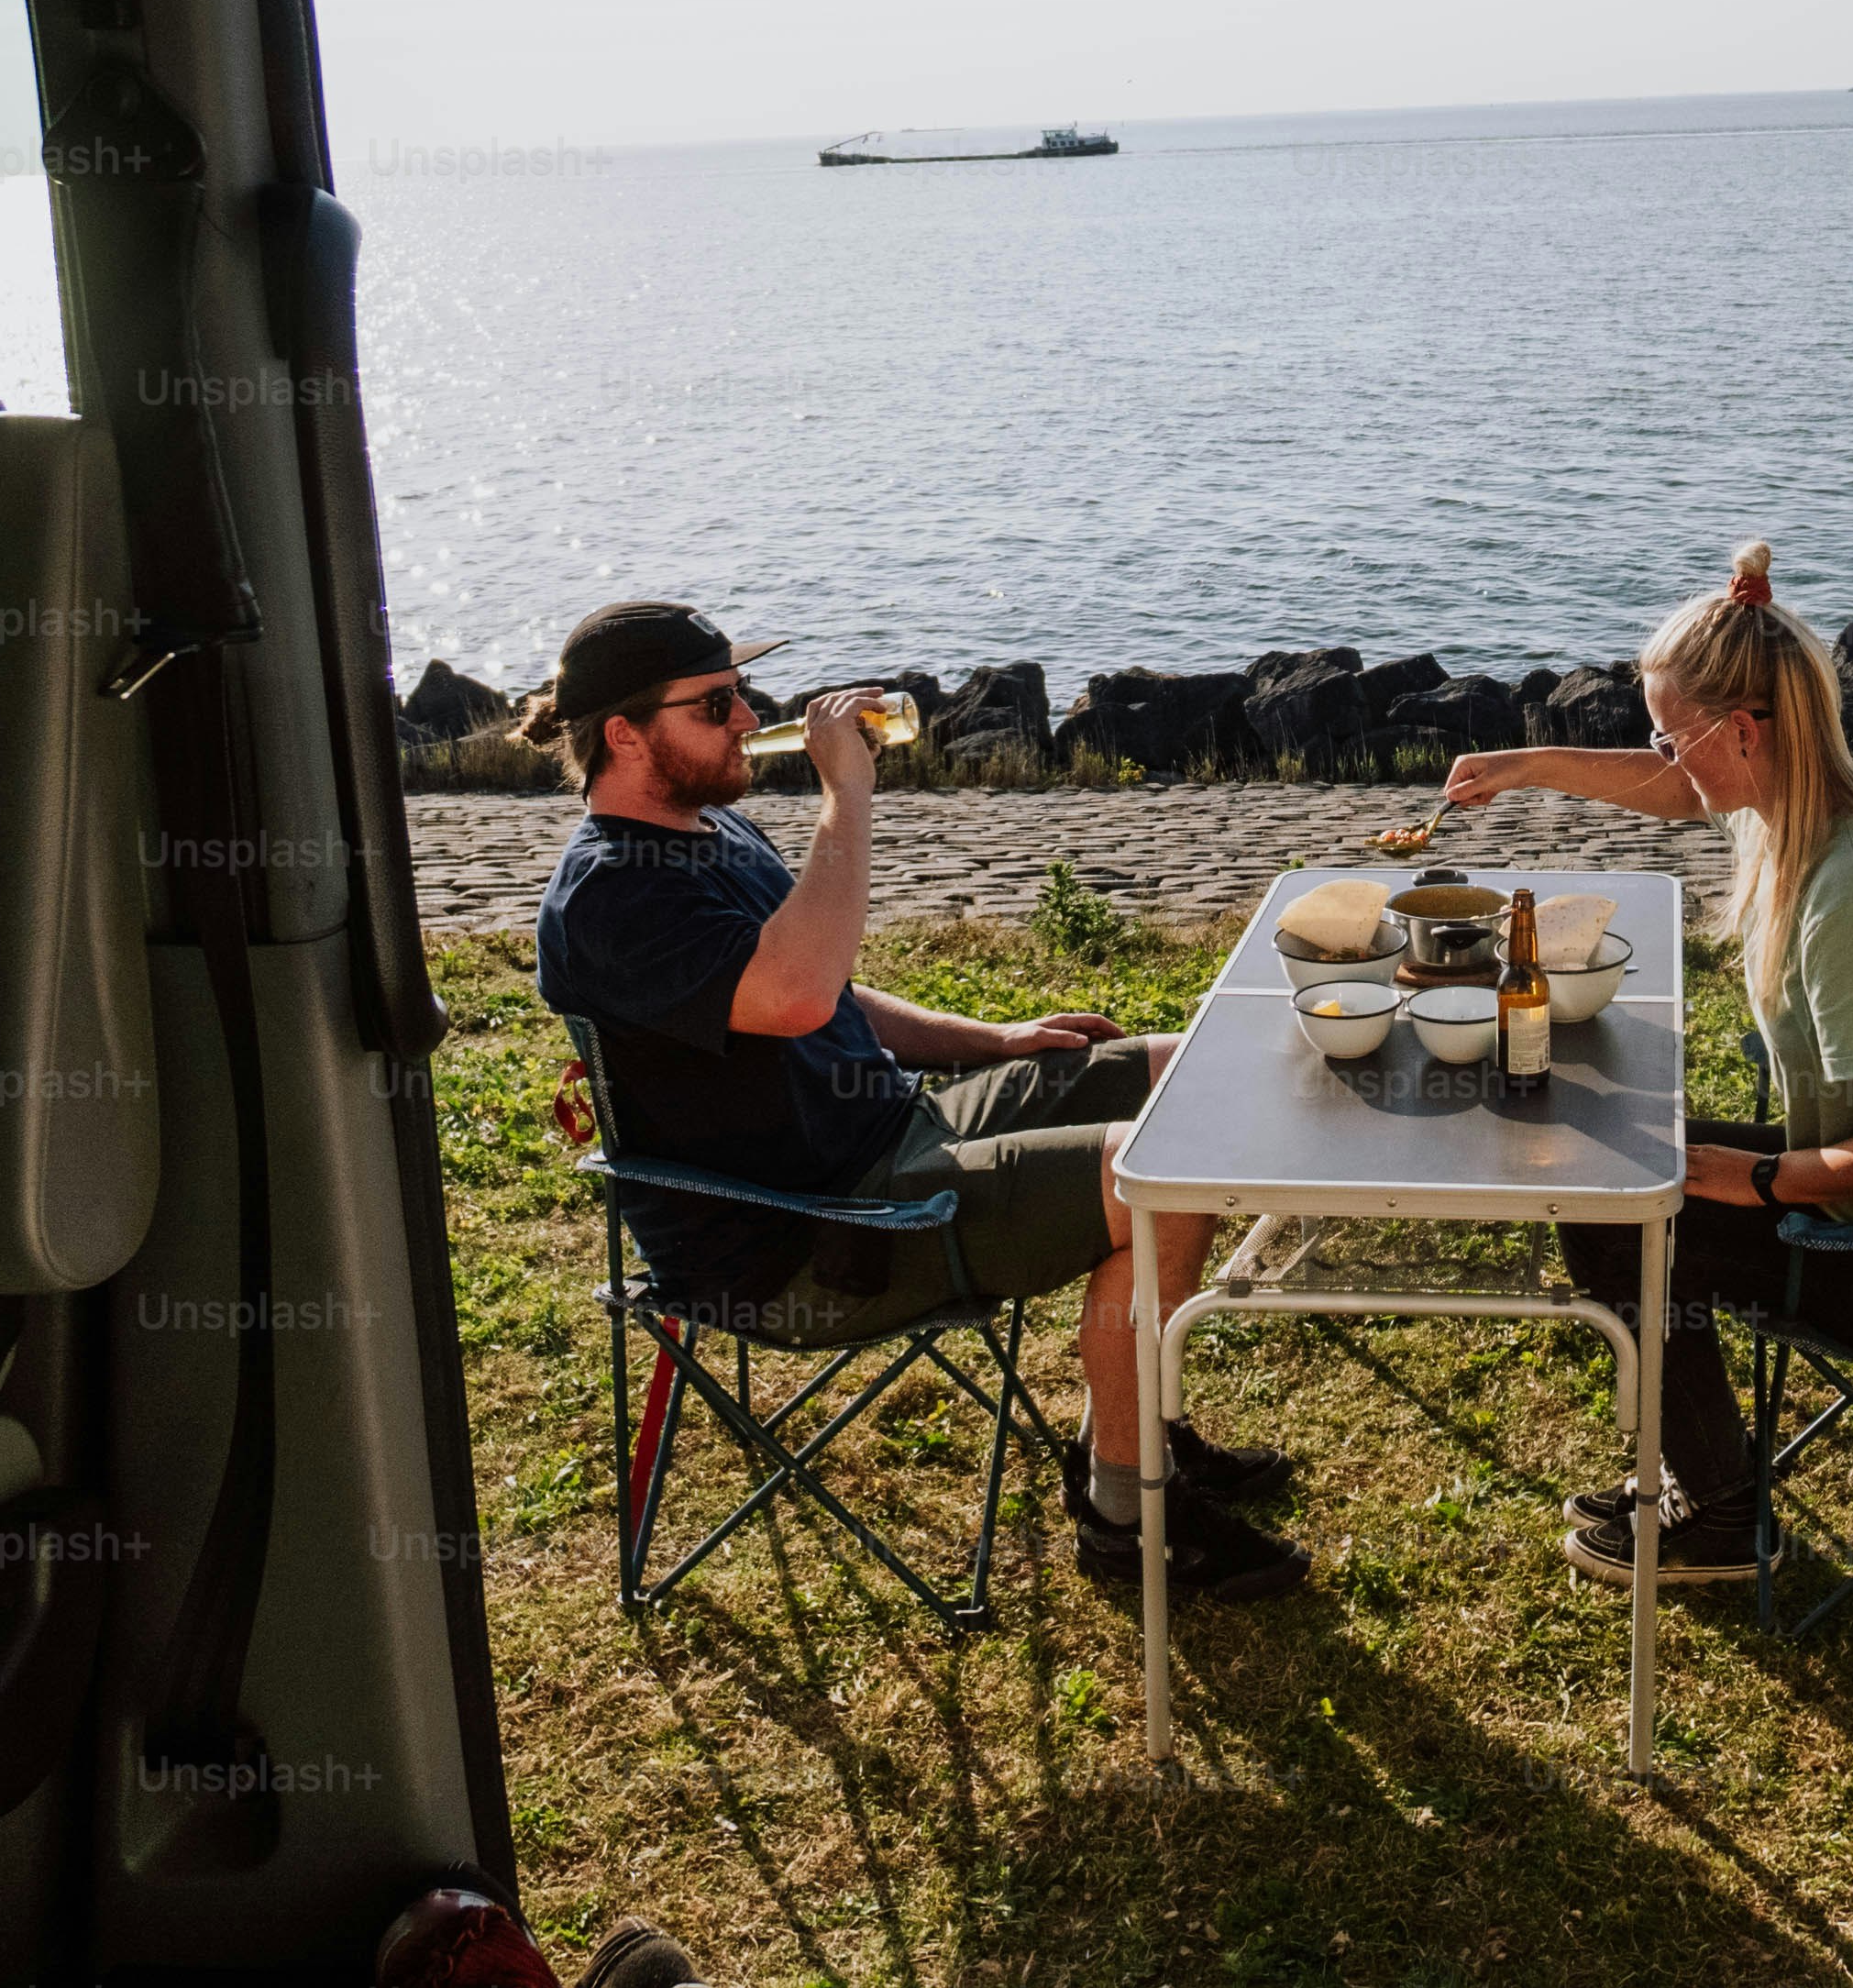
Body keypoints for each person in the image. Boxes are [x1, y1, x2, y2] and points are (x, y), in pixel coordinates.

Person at [523, 600, 1303, 1604]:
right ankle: (1127, 1513)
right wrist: (847, 796)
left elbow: (827, 991)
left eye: (740, 692)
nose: (747, 716)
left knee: (1179, 1075)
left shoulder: (707, 829)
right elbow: (795, 992)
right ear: (625, 734)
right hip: (812, 1239)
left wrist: (995, 1041)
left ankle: (1142, 1428)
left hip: (893, 1136)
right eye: (714, 704)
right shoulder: (609, 896)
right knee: (1159, 1177)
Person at [1437, 543, 1853, 1582]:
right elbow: (1681, 791)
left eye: (1669, 735)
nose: (1663, 758)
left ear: (1741, 731)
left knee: (1628, 1220)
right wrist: (1524, 766)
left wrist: (1753, 1177)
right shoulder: (1797, 806)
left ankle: (1723, 1516)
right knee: (1613, 1179)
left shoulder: (1851, 893)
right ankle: (1701, 1474)